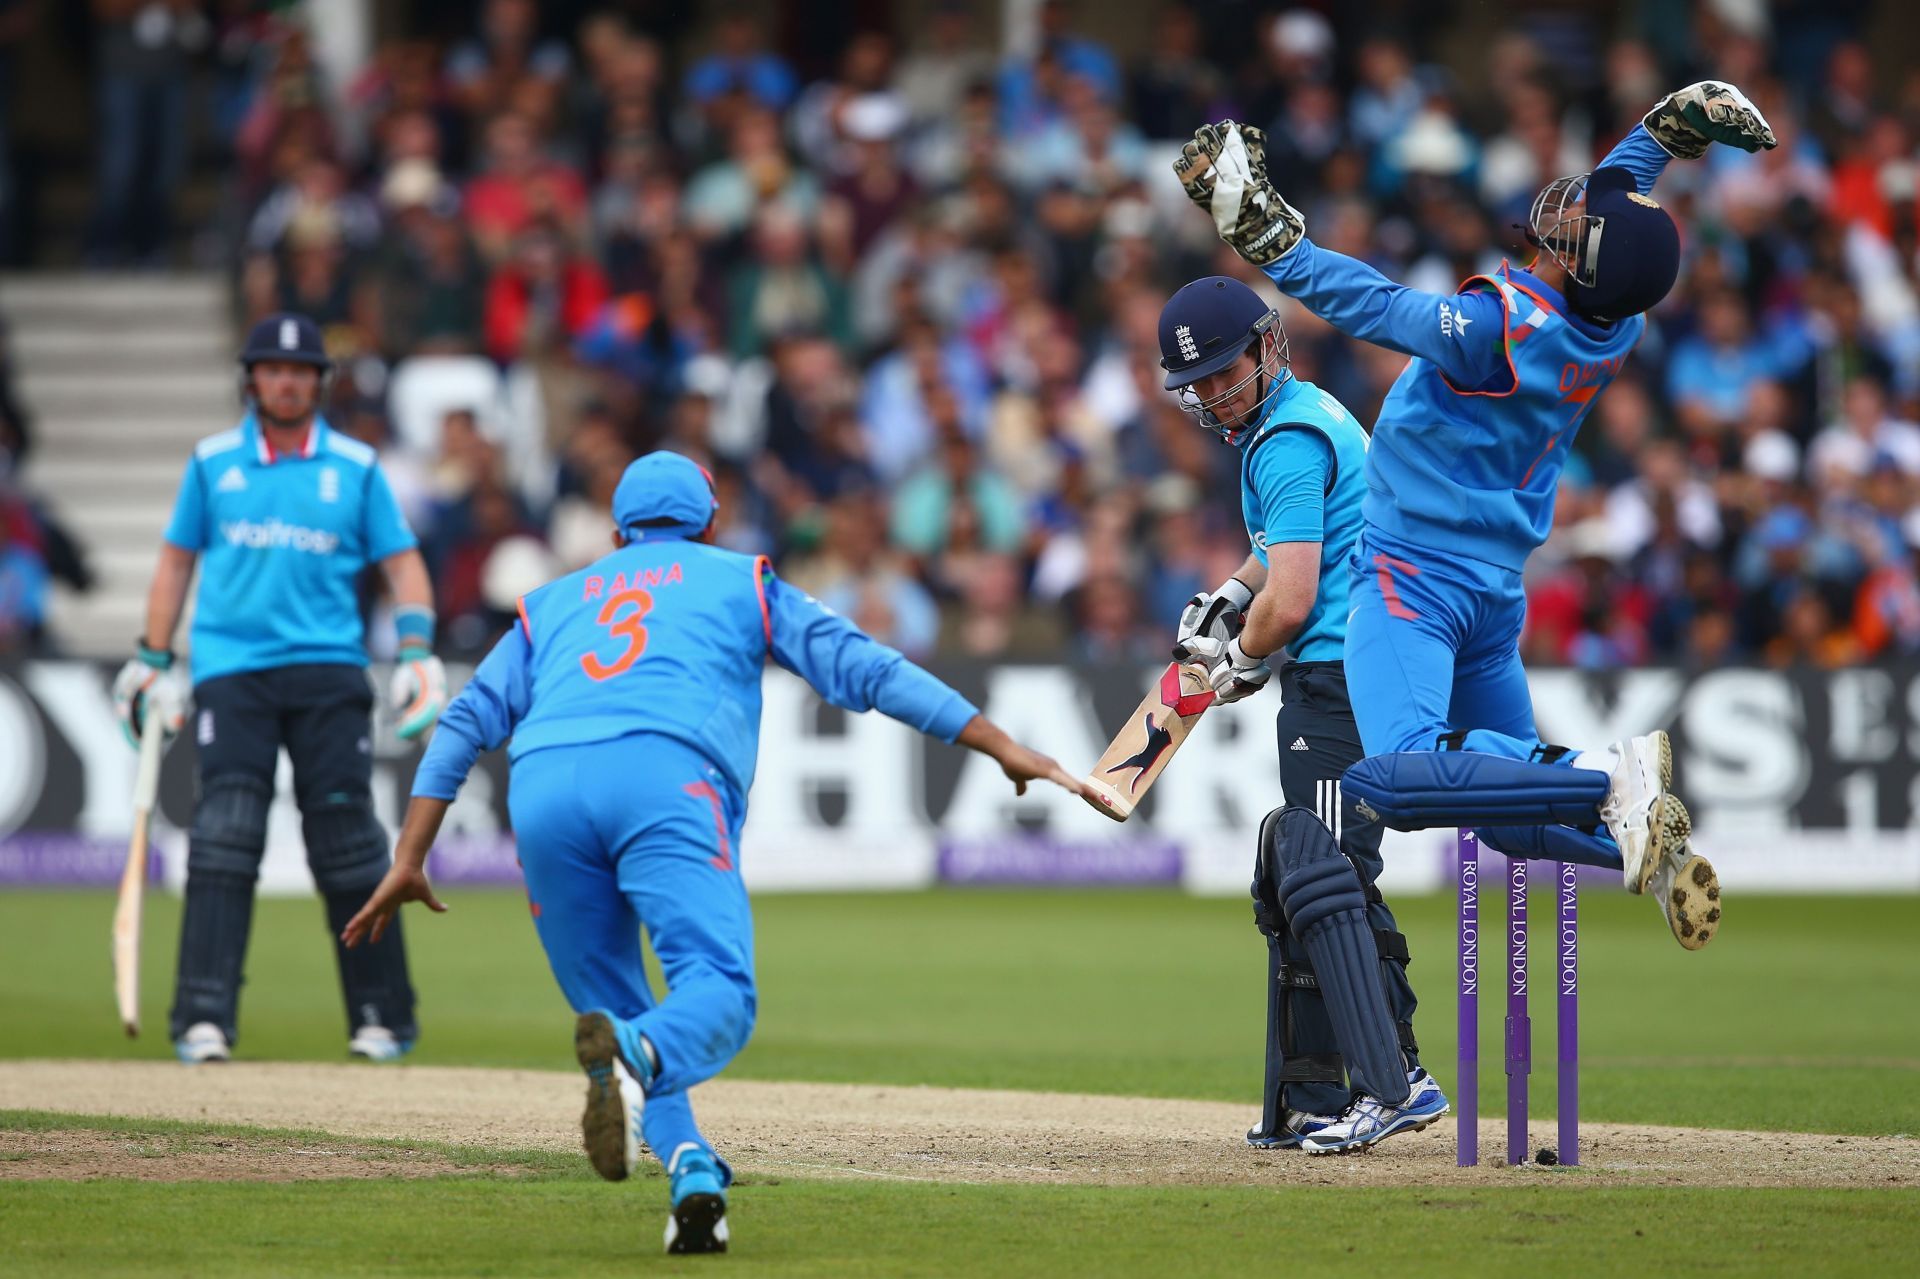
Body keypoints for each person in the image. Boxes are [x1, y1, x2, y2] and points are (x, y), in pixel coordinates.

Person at [1174, 81, 1777, 1147]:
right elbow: (1621, 191)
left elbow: (1370, 307)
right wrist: (1669, 130)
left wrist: (1264, 235)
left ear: (1577, 267)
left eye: (1573, 231)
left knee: (1390, 779)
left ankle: (1609, 782)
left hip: (1412, 576)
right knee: (1498, 806)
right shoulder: (1612, 317)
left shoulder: (1503, 328)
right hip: (1495, 586)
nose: (1562, 215)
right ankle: (1646, 848)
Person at [342, 451, 1087, 1255]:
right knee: (718, 995)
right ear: (711, 519)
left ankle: (694, 1172)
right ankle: (634, 1056)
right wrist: (997, 741)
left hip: (543, 791)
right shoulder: (740, 578)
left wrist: (409, 854)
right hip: (663, 776)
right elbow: (866, 668)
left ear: (620, 528)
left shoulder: (550, 603)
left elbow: (462, 723)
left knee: (625, 1020)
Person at [1157, 274, 1447, 1156]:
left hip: (1336, 679)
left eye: (1222, 370)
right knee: (1308, 881)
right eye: (1197, 382)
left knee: (1329, 876)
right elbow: (1281, 554)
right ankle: (1314, 1094)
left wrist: (1240, 656)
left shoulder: (1283, 438)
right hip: (1355, 671)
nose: (1213, 392)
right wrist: (1227, 595)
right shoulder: (1304, 414)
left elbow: (1291, 602)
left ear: (1266, 345)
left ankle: (1395, 1080)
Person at [112, 312, 447, 1065]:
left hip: (329, 667)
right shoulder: (212, 462)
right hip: (234, 670)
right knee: (225, 835)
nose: (287, 381)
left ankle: (381, 1017)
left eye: (300, 370)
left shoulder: (356, 466)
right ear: (252, 378)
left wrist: (419, 649)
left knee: (348, 839)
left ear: (320, 381)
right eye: (273, 368)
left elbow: (403, 563)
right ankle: (203, 1018)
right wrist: (151, 656)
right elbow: (174, 562)